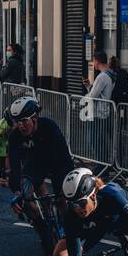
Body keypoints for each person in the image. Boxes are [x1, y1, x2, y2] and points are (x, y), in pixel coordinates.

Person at [4, 95, 75, 227]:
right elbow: (15, 166)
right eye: (18, 121)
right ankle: (42, 225)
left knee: (62, 199)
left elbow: (62, 158)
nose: (21, 126)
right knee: (25, 196)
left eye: (24, 121)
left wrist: (63, 190)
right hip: (35, 164)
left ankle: (67, 226)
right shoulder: (15, 136)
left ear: (35, 118)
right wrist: (17, 191)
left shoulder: (49, 127)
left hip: (57, 161)